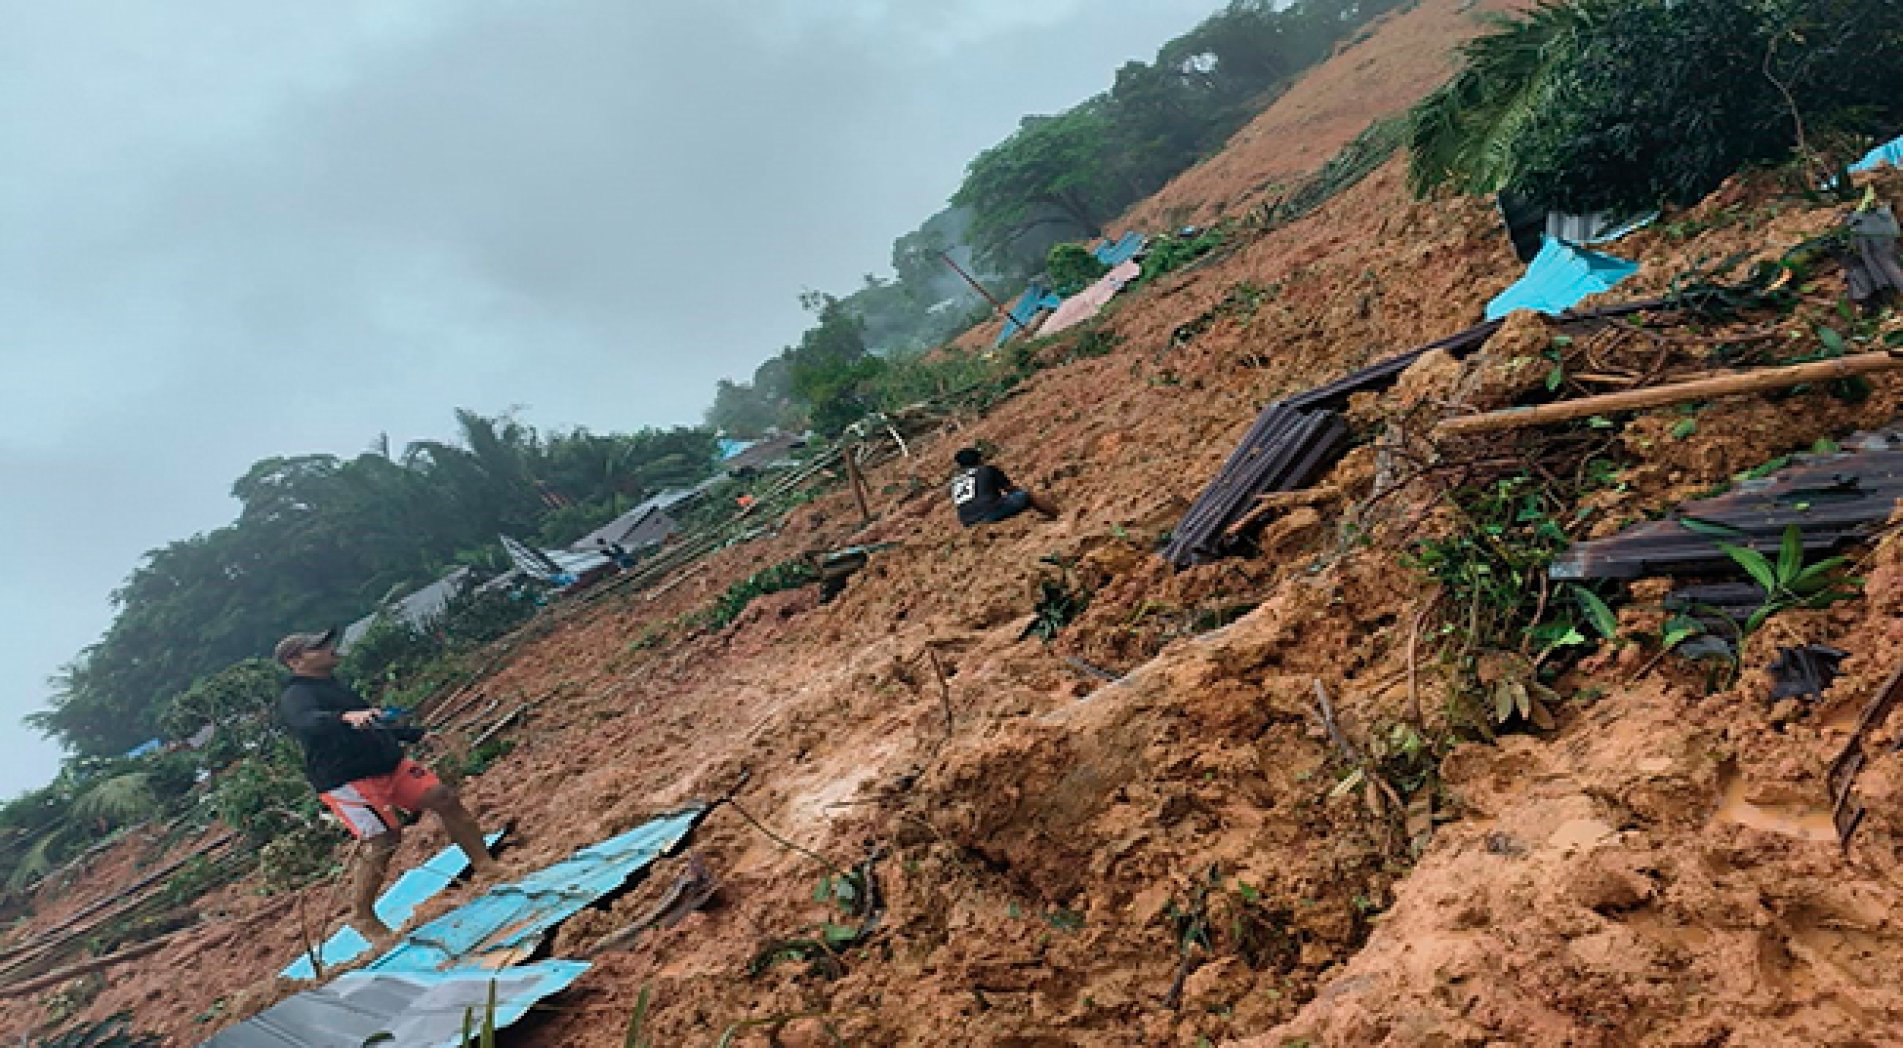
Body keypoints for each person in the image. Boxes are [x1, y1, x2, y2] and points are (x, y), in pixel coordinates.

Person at [275, 628, 501, 943]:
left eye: (328, 643)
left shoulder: (335, 687)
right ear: (295, 661)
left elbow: (371, 724)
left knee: (444, 798)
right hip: (347, 780)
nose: (330, 648)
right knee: (383, 839)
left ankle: (486, 866)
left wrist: (416, 734)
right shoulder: (297, 695)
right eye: (319, 647)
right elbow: (307, 722)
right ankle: (362, 915)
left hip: (387, 765)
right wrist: (343, 718)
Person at [949, 447, 1057, 527]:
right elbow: (1010, 489)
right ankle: (1057, 515)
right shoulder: (987, 469)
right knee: (1025, 495)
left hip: (967, 521)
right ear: (979, 460)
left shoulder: (954, 482)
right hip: (990, 513)